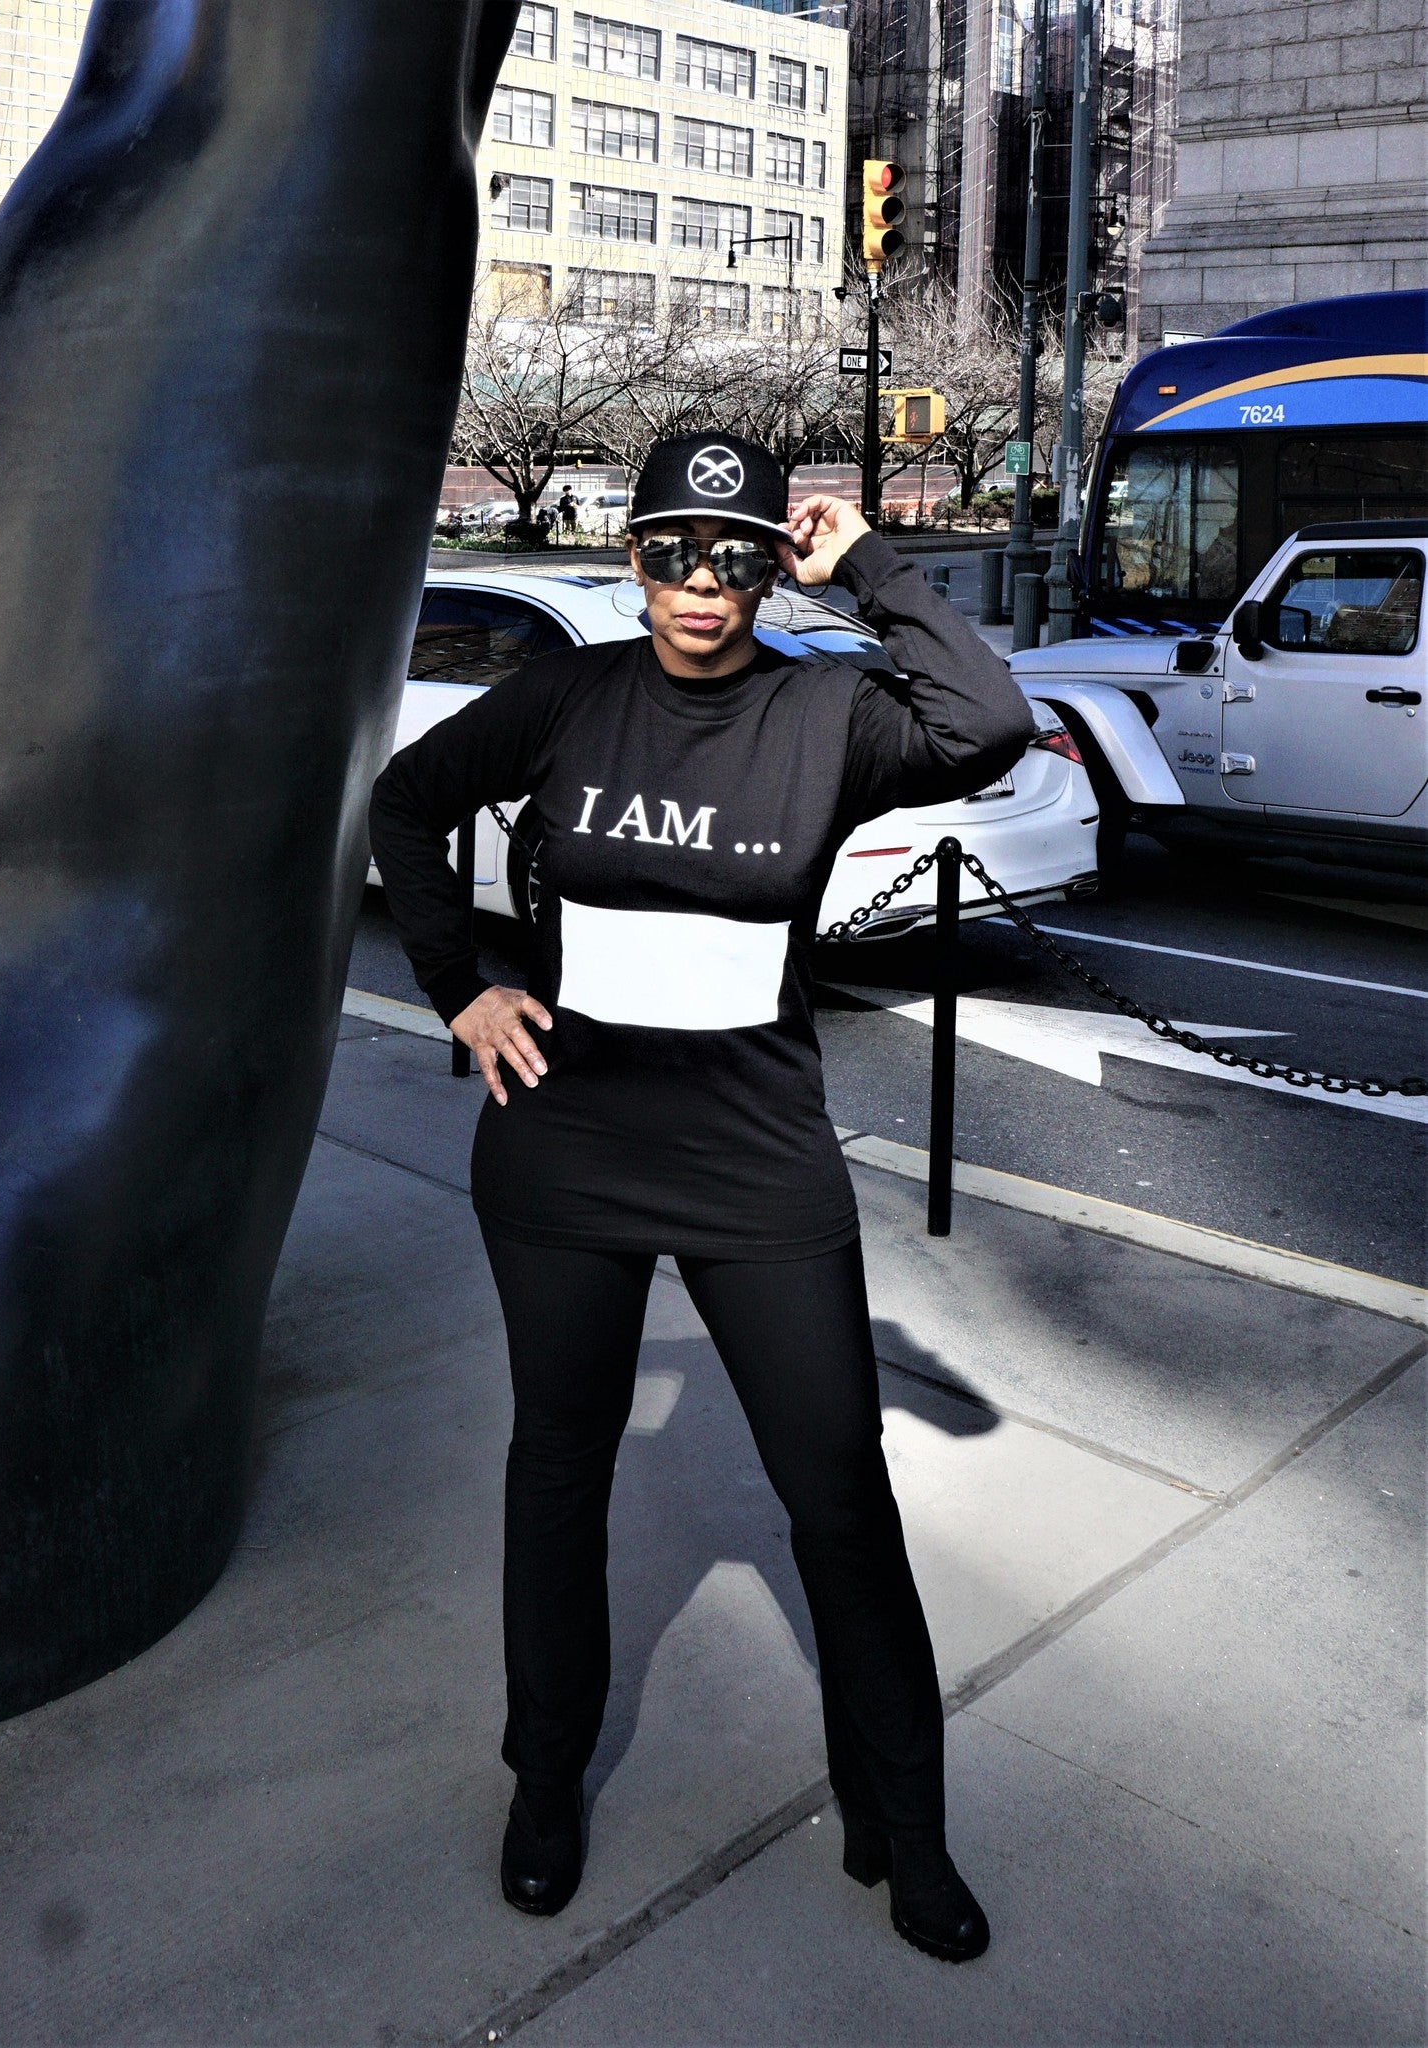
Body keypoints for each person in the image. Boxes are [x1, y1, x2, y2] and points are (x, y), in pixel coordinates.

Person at [370, 431, 1034, 1964]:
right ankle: (545, 1785)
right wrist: (460, 990)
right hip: (566, 1154)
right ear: (633, 560)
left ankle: (905, 1824)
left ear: (767, 563)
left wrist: (865, 564)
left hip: (758, 1159)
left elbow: (988, 718)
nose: (701, 587)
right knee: (560, 1472)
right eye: (672, 551)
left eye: (735, 554)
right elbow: (406, 803)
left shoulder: (826, 712)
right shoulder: (572, 696)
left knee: (841, 1500)